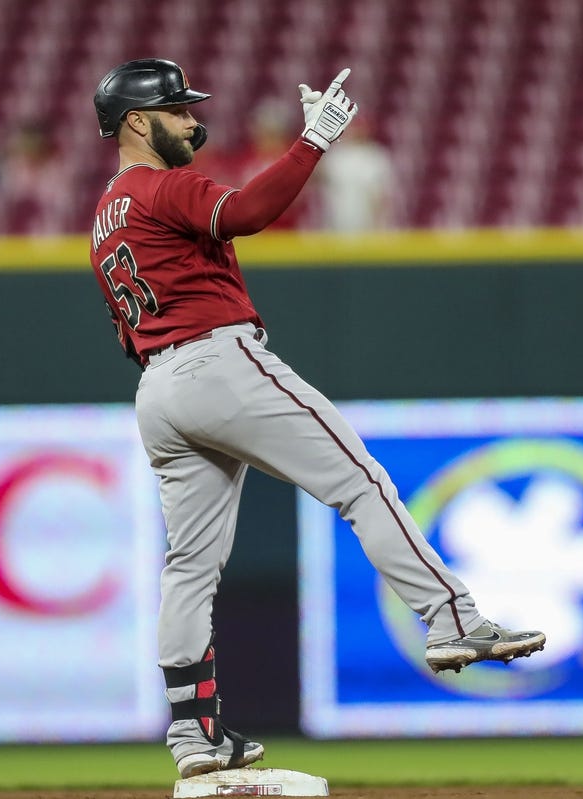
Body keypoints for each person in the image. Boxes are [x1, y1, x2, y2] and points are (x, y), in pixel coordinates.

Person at [89, 58, 545, 780]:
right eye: (176, 110)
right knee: (359, 481)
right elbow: (243, 213)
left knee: (189, 566)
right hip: (218, 360)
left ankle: (193, 734)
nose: (190, 120)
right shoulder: (161, 185)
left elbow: (125, 332)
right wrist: (313, 143)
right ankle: (452, 619)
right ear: (137, 122)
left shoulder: (104, 218)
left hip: (159, 387)